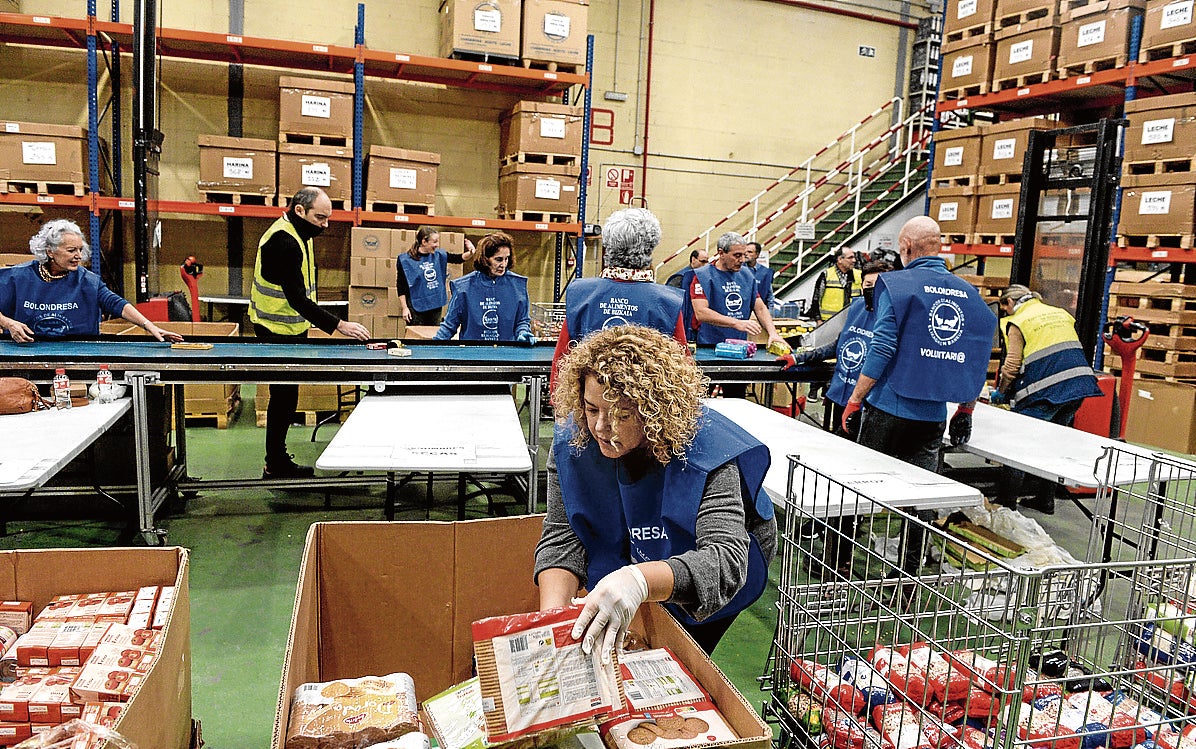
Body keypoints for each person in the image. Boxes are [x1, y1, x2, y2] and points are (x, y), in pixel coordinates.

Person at [535, 325, 777, 657]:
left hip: (713, 556)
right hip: (639, 537)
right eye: (592, 409)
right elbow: (562, 535)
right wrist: (552, 619)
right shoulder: (572, 444)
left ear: (653, 413)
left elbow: (723, 562)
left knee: (679, 648)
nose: (602, 427)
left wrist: (639, 580)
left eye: (621, 414)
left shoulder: (705, 453)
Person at [841, 217, 996, 575]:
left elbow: (882, 347)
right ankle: (909, 577)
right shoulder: (968, 293)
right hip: (931, 417)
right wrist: (966, 408)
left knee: (857, 487)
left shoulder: (895, 286)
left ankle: (839, 565)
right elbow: (976, 354)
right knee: (922, 496)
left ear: (907, 247)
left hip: (887, 407)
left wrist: (855, 398)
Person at [250, 187, 370, 479]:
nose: (325, 225)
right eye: (320, 218)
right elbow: (297, 299)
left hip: (291, 326)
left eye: (328, 218)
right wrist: (339, 325)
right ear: (299, 210)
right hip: (275, 328)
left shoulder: (298, 233)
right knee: (283, 396)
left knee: (288, 395)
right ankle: (275, 464)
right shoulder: (284, 242)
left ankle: (275, 460)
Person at [991, 284, 1102, 514]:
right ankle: (1045, 499)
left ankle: (1006, 503)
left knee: (1017, 446)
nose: (1006, 314)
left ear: (1010, 303)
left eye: (1005, 309)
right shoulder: (1057, 313)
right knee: (1053, 445)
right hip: (1078, 386)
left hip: (1048, 393)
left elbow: (1011, 365)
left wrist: (1001, 392)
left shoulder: (1019, 321)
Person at [552, 208, 687, 382]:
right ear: (651, 247)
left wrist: (562, 406)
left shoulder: (581, 294)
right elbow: (682, 367)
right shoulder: (667, 302)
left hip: (589, 403)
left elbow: (562, 359)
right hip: (643, 405)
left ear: (608, 246)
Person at [0, 219, 183, 343]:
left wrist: (150, 326)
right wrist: (7, 323)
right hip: (27, 355)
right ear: (50, 251)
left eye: (80, 249)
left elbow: (116, 303)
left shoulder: (87, 281)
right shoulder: (18, 277)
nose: (78, 256)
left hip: (78, 356)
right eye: (71, 250)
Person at [777, 259, 893, 431]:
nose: (873, 290)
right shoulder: (857, 307)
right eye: (868, 284)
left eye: (879, 285)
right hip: (841, 394)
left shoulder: (892, 318)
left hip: (868, 403)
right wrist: (798, 357)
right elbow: (840, 345)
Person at [690, 231, 785, 398]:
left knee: (736, 402)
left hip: (739, 352)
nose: (742, 259)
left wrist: (773, 333)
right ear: (721, 253)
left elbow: (760, 307)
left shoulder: (747, 275)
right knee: (700, 403)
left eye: (744, 254)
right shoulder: (703, 276)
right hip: (709, 350)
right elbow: (701, 312)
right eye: (737, 255)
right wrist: (736, 323)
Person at [433, 231, 535, 344]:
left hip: (508, 354)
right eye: (498, 259)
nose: (504, 264)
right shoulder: (463, 288)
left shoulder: (518, 285)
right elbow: (449, 325)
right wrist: (433, 347)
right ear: (485, 259)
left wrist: (523, 332)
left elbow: (522, 321)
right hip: (472, 355)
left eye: (506, 258)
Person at [395, 226, 477, 326]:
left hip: (435, 305)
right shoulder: (406, 260)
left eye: (438, 241)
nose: (437, 245)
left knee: (433, 336)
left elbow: (458, 258)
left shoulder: (439, 255)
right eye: (434, 242)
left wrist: (471, 251)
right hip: (416, 306)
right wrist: (404, 308)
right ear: (424, 242)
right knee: (416, 338)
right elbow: (401, 286)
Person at [808, 245, 862, 321]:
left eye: (854, 257)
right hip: (828, 322)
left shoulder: (859, 275)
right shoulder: (826, 275)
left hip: (852, 321)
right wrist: (818, 320)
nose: (854, 260)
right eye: (850, 258)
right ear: (840, 259)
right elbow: (816, 299)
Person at [745, 241, 775, 308]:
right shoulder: (738, 270)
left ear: (757, 255)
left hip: (759, 310)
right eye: (745, 252)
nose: (746, 254)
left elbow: (770, 296)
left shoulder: (766, 272)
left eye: (749, 252)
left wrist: (770, 313)